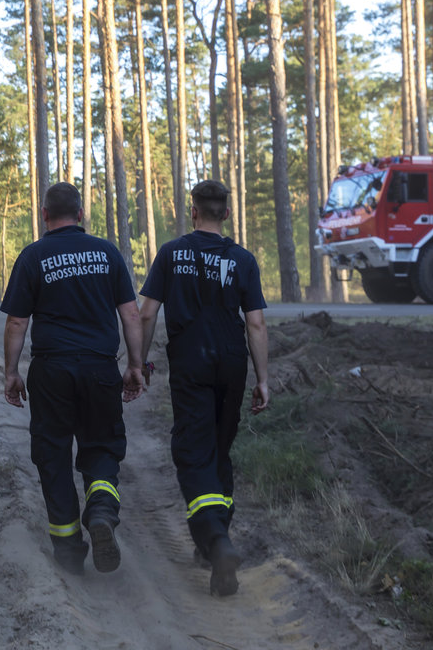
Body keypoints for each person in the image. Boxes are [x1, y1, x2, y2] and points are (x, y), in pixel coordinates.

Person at [0, 182, 145, 575]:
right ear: (81, 214)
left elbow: (17, 321)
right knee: (100, 447)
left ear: (45, 215)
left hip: (52, 370)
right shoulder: (107, 253)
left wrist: (12, 373)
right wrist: (134, 364)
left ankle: (67, 549)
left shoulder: (32, 256)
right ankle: (100, 510)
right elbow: (131, 314)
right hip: (100, 367)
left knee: (53, 455)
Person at [138, 179, 269, 596]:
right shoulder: (243, 259)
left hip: (191, 360)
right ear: (226, 213)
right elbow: (256, 323)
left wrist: (138, 362)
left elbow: (147, 314)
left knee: (194, 451)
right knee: (218, 448)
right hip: (231, 361)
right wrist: (263, 378)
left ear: (192, 211)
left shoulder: (171, 253)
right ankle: (215, 544)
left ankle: (215, 540)